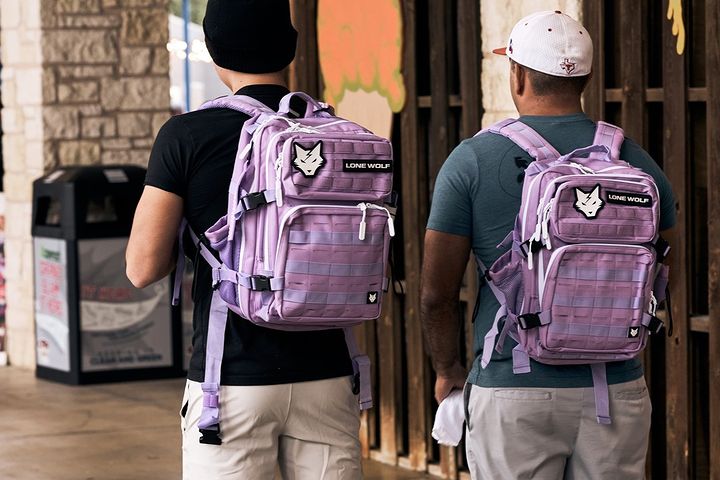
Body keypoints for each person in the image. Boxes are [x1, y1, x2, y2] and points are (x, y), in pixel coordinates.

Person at [421, 11, 675, 479]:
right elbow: (665, 259)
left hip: (512, 384)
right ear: (586, 78)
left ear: (516, 74)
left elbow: (436, 293)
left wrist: (448, 369)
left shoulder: (473, 159)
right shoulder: (630, 159)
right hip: (615, 387)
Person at [125, 1, 361, 478]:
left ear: (213, 50)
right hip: (330, 372)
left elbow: (142, 267)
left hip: (230, 381)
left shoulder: (187, 135)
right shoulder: (339, 133)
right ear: (291, 49)